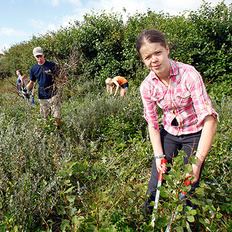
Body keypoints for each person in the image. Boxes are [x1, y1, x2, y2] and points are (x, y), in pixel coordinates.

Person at [136, 29, 218, 229]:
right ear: (143, 60)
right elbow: (153, 124)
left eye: (157, 53)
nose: (153, 60)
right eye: (147, 57)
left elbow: (209, 119)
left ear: (167, 49)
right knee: (157, 179)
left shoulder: (188, 74)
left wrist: (197, 163)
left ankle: (186, 224)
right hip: (170, 134)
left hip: (195, 133)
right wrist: (158, 156)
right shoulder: (146, 87)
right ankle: (145, 220)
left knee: (189, 183)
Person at [27, 46, 62, 128]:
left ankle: (59, 132)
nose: (39, 58)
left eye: (40, 56)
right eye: (37, 56)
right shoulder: (33, 69)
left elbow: (60, 76)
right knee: (45, 118)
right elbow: (32, 82)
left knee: (57, 115)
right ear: (34, 57)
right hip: (42, 97)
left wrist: (63, 78)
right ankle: (49, 135)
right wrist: (26, 89)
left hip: (53, 94)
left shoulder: (52, 65)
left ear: (44, 54)